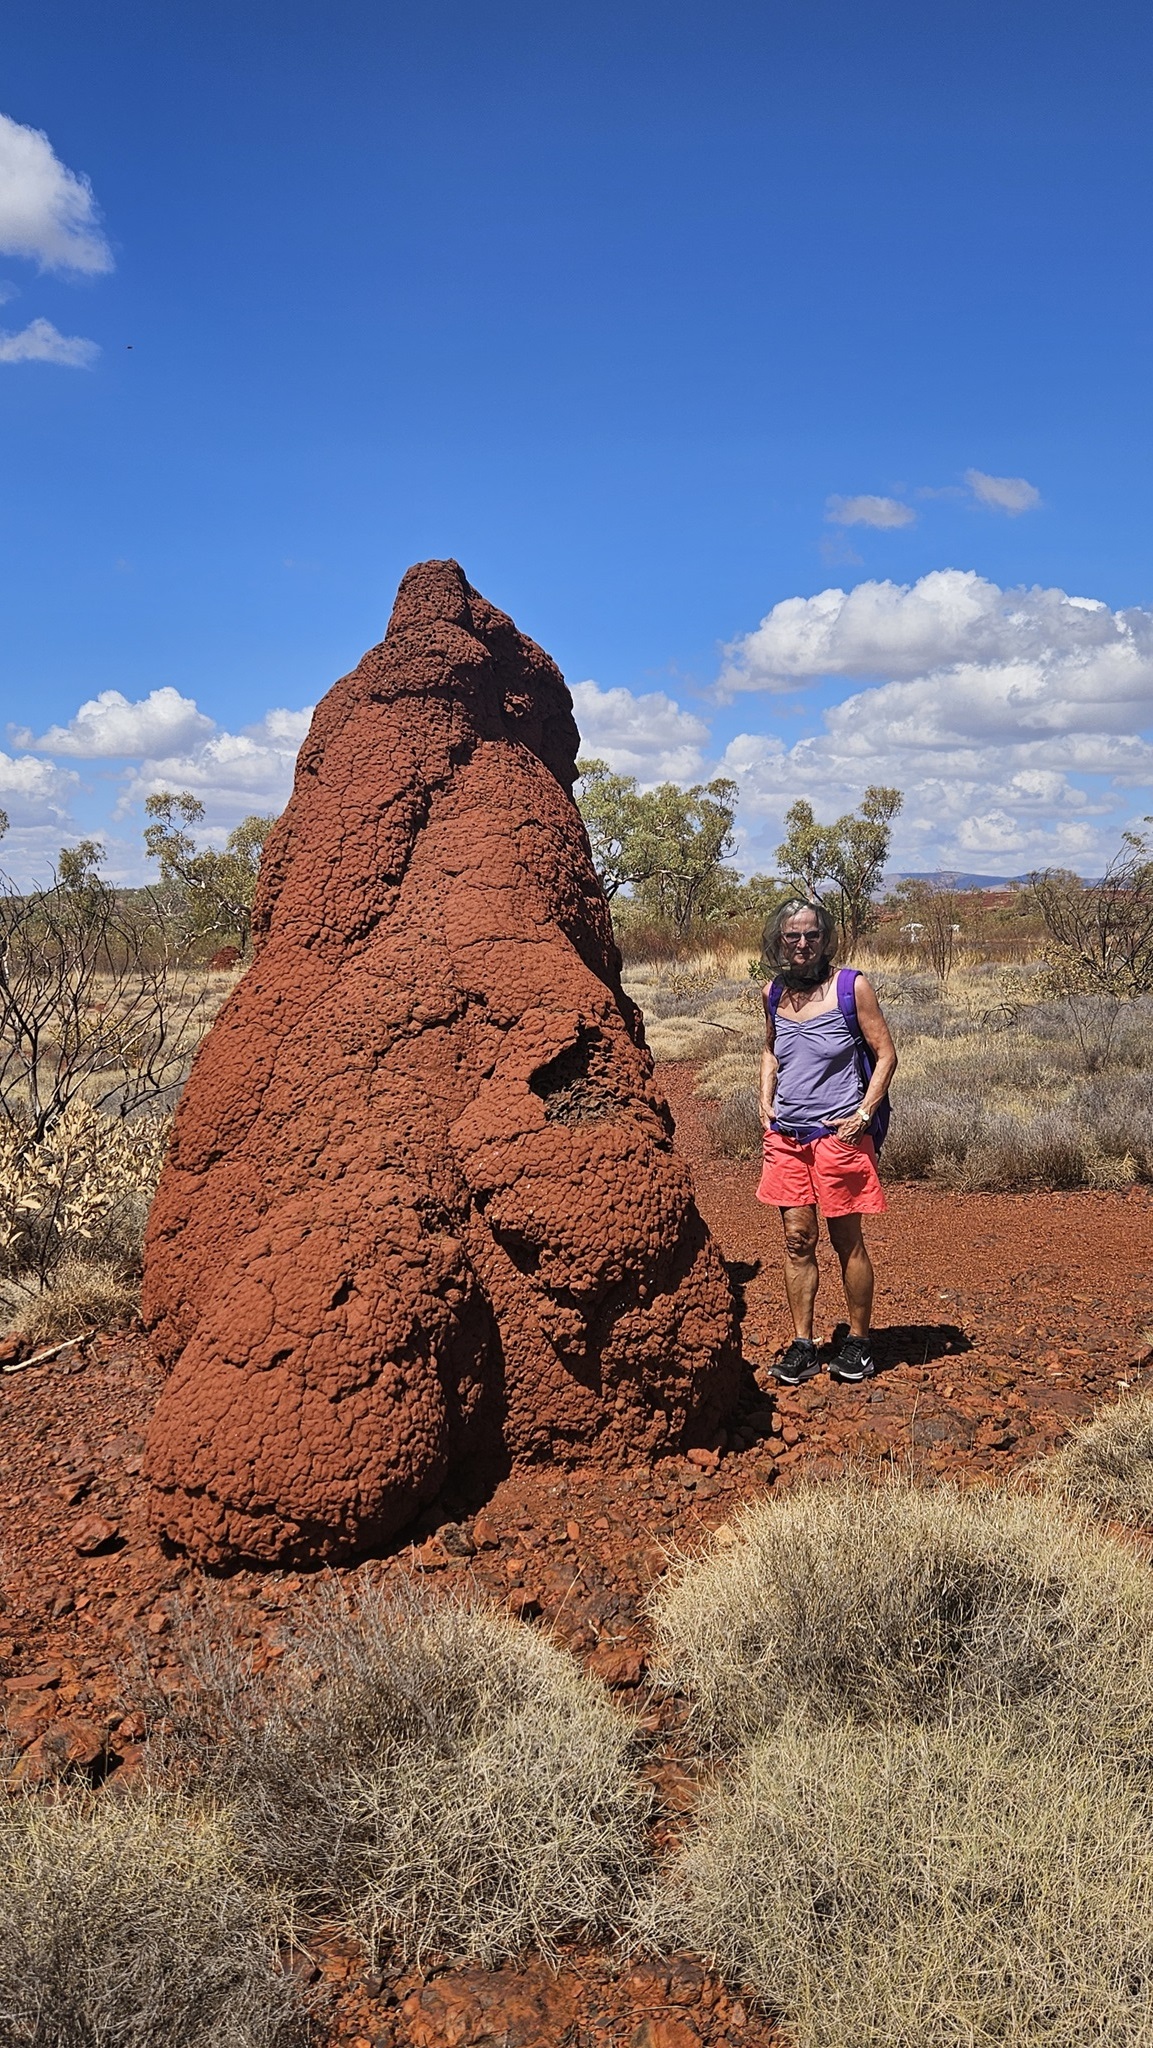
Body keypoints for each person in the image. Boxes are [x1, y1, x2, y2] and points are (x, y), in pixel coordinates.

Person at [757, 896, 897, 1386]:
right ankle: (803, 1345)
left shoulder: (851, 987)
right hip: (787, 1138)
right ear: (779, 941)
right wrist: (765, 1098)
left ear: (825, 939)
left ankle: (859, 1342)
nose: (802, 944)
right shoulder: (774, 992)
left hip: (838, 1136)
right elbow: (771, 1050)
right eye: (793, 935)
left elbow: (886, 1054)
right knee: (797, 1239)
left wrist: (864, 1113)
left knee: (845, 1240)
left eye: (811, 935)